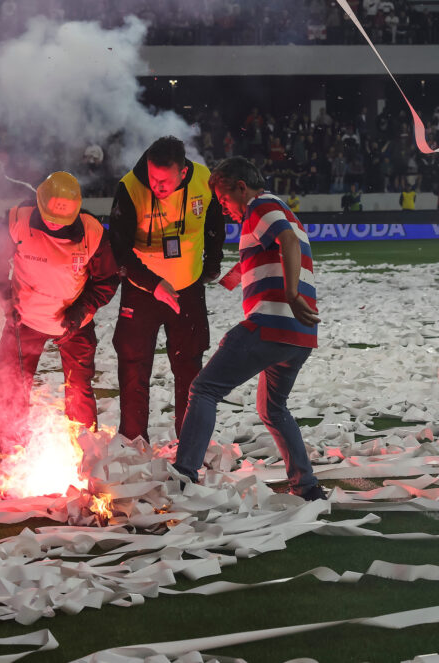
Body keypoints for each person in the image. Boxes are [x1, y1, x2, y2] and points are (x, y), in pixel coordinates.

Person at [172, 157, 326, 500]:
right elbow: (264, 254)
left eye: (225, 199)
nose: (225, 209)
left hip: (271, 324)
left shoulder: (260, 207)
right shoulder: (283, 209)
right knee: (273, 409)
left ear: (242, 187)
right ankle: (307, 486)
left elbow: (286, 243)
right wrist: (223, 279)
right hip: (298, 336)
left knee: (204, 389)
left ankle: (183, 475)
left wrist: (290, 292)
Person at [0, 171, 119, 464]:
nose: (56, 223)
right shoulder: (18, 220)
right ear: (39, 204)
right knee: (10, 383)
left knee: (79, 388)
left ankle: (85, 454)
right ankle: (8, 452)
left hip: (74, 323)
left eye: (63, 220)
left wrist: (81, 311)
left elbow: (107, 279)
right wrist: (6, 299)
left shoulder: (92, 231)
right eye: (50, 217)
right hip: (24, 320)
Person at [109, 136, 225, 443]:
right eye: (152, 178)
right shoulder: (130, 188)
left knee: (189, 367)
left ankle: (189, 445)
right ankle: (133, 443)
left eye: (164, 181)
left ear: (183, 173)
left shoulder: (203, 180)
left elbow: (215, 224)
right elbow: (119, 251)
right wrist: (153, 283)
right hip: (141, 290)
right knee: (134, 366)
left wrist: (213, 264)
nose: (157, 186)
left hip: (187, 288)